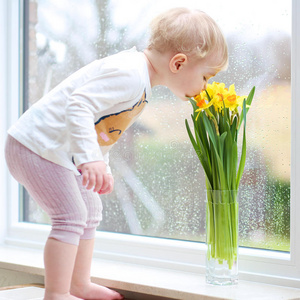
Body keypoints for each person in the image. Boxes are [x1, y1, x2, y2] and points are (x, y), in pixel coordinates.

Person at [5, 7, 228, 300]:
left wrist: (102, 163)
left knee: (90, 211)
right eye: (206, 77)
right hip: (34, 146)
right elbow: (80, 105)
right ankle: (57, 293)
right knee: (70, 215)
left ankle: (79, 283)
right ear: (178, 63)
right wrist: (90, 160)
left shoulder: (141, 83)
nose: (205, 87)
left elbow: (103, 128)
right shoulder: (130, 74)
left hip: (55, 151)